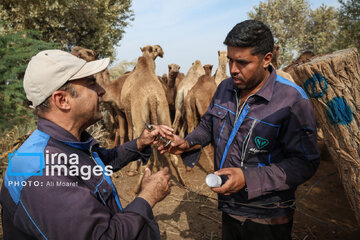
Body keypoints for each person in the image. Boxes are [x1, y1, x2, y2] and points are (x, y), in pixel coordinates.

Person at [161, 20, 320, 239]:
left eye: (242, 62)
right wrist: (188, 142)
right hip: (229, 207)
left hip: (267, 216)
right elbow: (208, 124)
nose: (233, 70)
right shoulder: (226, 87)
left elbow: (305, 162)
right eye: (230, 61)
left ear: (266, 59)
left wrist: (248, 178)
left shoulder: (292, 101)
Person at [0, 49, 173, 239]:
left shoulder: (67, 143)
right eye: (92, 83)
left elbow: (99, 163)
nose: (101, 90)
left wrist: (140, 143)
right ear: (62, 100)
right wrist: (147, 197)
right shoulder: (41, 174)